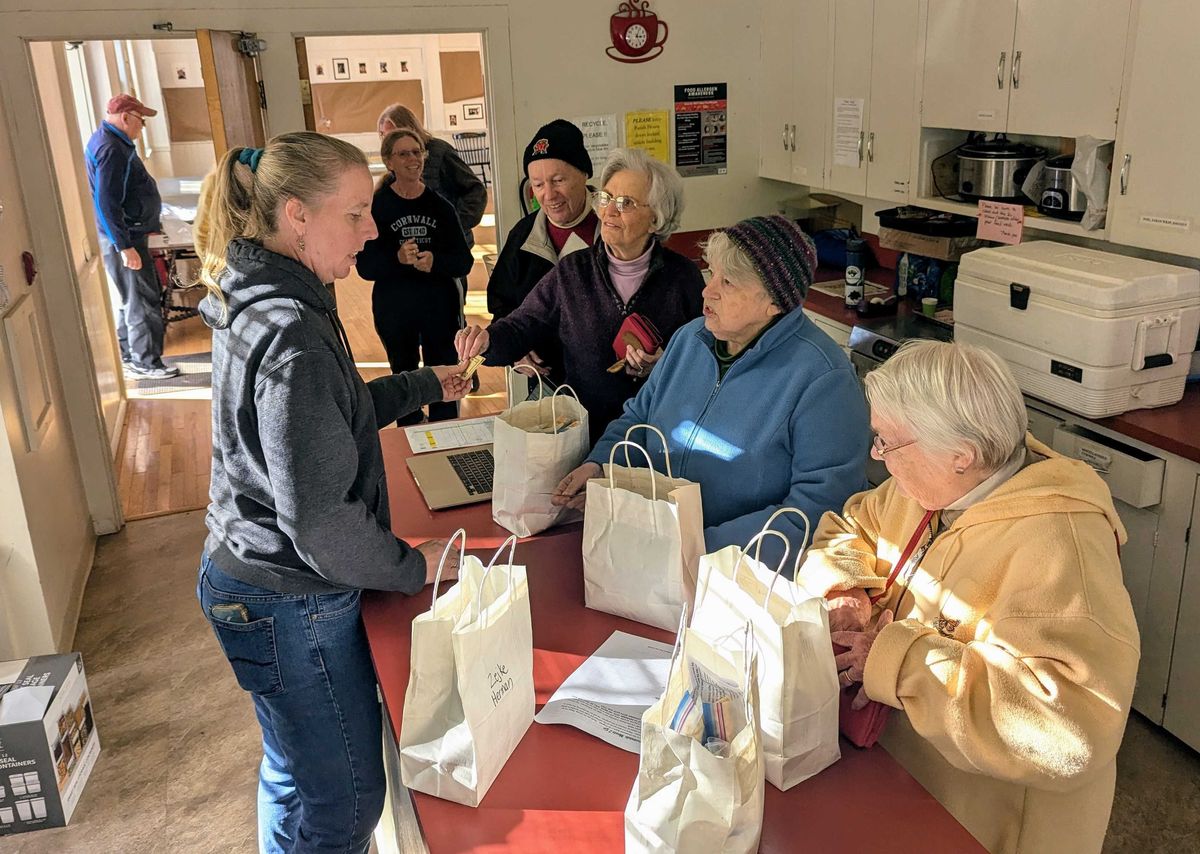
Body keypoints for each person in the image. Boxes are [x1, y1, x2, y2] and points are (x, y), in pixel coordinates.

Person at [194, 131, 468, 854]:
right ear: (296, 215)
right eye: (354, 214)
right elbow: (320, 522)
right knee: (346, 801)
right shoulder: (293, 330)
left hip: (243, 575)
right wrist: (415, 565)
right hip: (290, 599)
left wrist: (424, 383)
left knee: (294, 770)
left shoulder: (260, 292)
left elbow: (331, 412)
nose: (373, 229)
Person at [795, 340, 1140, 854]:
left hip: (982, 821)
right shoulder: (931, 481)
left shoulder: (1061, 545)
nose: (876, 457)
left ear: (962, 454)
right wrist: (845, 586)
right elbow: (850, 527)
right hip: (899, 775)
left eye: (887, 442)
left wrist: (898, 660)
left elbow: (1069, 729)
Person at [551, 214, 870, 561]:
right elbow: (639, 418)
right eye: (712, 273)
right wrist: (599, 466)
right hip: (650, 548)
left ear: (775, 302)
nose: (708, 290)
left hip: (735, 579)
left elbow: (818, 513)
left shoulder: (824, 380)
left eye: (728, 282)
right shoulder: (690, 339)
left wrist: (697, 546)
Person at [457, 147, 704, 441]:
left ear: (656, 218)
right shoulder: (573, 272)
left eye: (626, 203)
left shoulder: (683, 278)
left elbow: (706, 359)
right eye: (606, 198)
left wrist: (664, 364)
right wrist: (487, 341)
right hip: (581, 431)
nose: (609, 212)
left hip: (658, 432)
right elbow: (522, 324)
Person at [356, 129, 474, 423]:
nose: (413, 159)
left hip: (440, 311)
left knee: (446, 378)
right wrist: (395, 259)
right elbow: (365, 267)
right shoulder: (378, 207)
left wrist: (435, 261)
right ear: (389, 162)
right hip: (395, 311)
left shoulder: (441, 207)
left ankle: (446, 441)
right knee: (405, 381)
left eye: (417, 152)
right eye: (403, 153)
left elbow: (463, 261)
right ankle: (410, 448)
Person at [485, 119, 602, 379]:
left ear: (584, 174)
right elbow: (502, 306)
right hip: (546, 381)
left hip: (609, 383)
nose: (549, 195)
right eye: (538, 185)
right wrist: (513, 348)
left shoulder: (612, 228)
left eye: (558, 180)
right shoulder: (523, 235)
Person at [85, 93, 179, 379]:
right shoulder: (112, 149)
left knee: (132, 297)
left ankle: (130, 355)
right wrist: (125, 246)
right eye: (141, 121)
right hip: (125, 238)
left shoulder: (113, 141)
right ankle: (147, 362)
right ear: (125, 117)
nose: (142, 128)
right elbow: (106, 201)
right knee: (142, 298)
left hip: (124, 236)